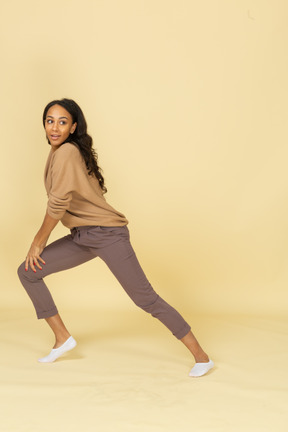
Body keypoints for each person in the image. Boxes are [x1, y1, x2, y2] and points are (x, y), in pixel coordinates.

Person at [17, 98, 214, 377]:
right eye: (50, 121)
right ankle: (63, 339)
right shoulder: (60, 152)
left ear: (73, 127)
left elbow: (57, 204)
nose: (55, 127)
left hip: (107, 234)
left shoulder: (66, 153)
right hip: (82, 236)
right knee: (28, 272)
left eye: (63, 122)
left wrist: (39, 242)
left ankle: (202, 357)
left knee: (145, 299)